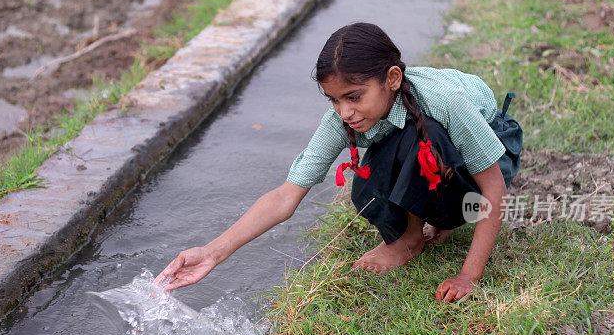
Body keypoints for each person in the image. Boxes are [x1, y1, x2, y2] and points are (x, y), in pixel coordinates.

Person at [155, 22, 522, 302]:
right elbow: (286, 196)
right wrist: (212, 252)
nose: (345, 111)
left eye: (354, 96)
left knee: (419, 137)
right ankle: (413, 234)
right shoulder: (343, 119)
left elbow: (494, 187)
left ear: (393, 79)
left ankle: (414, 236)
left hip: (483, 159)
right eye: (334, 100)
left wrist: (468, 277)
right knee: (375, 175)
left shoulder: (446, 103)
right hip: (436, 156)